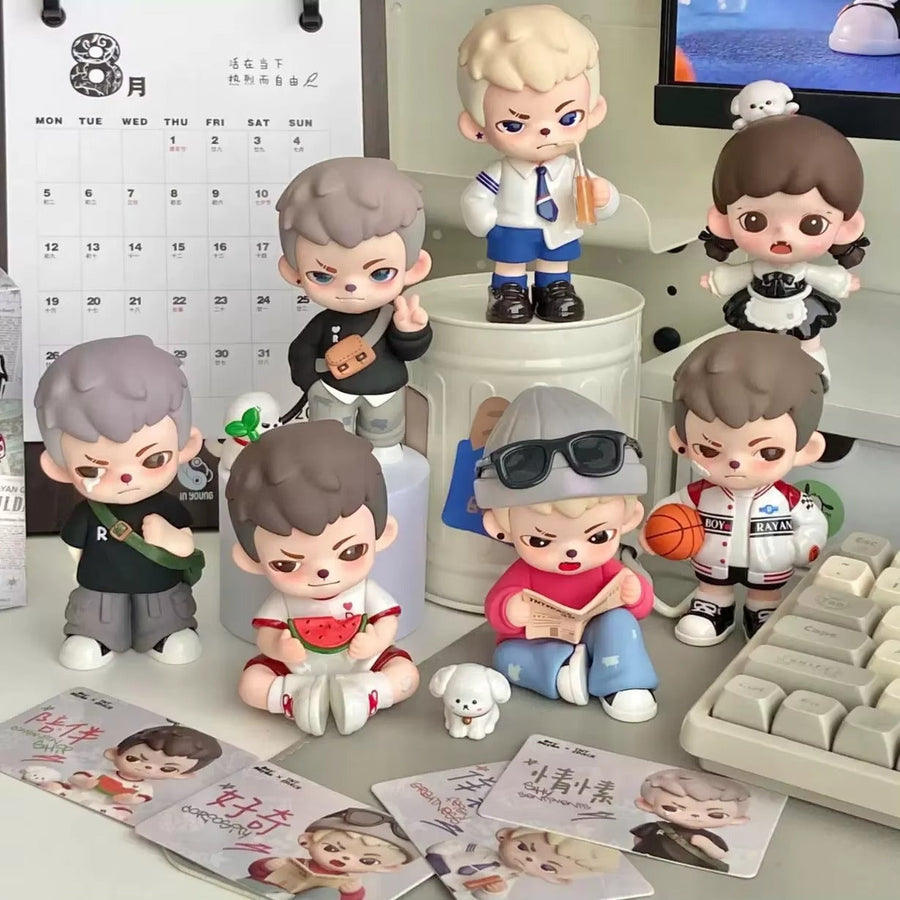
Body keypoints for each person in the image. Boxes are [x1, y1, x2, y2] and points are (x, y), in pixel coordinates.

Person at [474, 386, 659, 723]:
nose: (573, 551)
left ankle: (624, 682)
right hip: (536, 644)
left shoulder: (608, 569)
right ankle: (561, 674)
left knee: (620, 621)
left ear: (629, 518)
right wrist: (510, 610)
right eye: (540, 541)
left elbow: (641, 607)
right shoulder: (525, 574)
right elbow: (497, 608)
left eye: (598, 536)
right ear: (500, 527)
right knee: (506, 657)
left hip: (599, 636)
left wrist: (635, 594)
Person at [226, 421, 419, 736]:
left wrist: (376, 640)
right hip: (296, 670)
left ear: (383, 535)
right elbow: (266, 634)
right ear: (251, 561)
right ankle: (294, 698)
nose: (323, 572)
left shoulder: (366, 592)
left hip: (364, 664)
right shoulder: (283, 603)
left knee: (406, 674)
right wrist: (278, 648)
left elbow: (387, 621)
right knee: (251, 685)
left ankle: (366, 694)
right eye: (287, 564)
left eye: (350, 552)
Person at [643, 331, 829, 645]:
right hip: (712, 564)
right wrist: (655, 530)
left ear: (806, 449)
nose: (735, 463)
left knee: (765, 594)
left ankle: (762, 609)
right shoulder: (699, 494)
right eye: (710, 450)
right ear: (680, 443)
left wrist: (806, 543)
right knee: (713, 588)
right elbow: (669, 510)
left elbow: (813, 522)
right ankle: (713, 606)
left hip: (769, 565)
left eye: (768, 452)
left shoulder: (788, 498)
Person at [34, 336, 204, 670]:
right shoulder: (87, 513)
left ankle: (163, 633)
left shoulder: (167, 508)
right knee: (96, 615)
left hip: (159, 587)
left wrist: (169, 537)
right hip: (100, 589)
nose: (126, 478)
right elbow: (74, 549)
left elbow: (186, 546)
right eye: (92, 469)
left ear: (186, 446)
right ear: (58, 468)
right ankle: (97, 636)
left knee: (165, 614)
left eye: (153, 459)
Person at [457, 5, 619, 324]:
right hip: (512, 227)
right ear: (476, 127)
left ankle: (555, 290)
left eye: (568, 118)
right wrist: (487, 221)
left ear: (593, 112)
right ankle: (507, 291)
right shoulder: (500, 173)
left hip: (558, 228)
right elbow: (475, 197)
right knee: (510, 263)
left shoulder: (572, 169)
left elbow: (601, 201)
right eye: (514, 125)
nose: (545, 132)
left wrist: (604, 197)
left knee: (556, 261)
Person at [277, 157, 432, 466]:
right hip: (332, 393)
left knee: (385, 452)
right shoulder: (322, 324)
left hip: (384, 394)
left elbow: (409, 352)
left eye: (380, 273)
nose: (351, 287)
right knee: (332, 451)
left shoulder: (393, 315)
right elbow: (301, 351)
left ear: (414, 268)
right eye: (322, 275)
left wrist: (410, 332)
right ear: (293, 273)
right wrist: (312, 384)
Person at [700, 113, 867, 388]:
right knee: (750, 339)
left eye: (812, 224)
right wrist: (719, 280)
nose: (782, 235)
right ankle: (746, 370)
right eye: (754, 220)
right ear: (723, 222)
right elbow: (740, 275)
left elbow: (820, 277)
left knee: (807, 337)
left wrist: (842, 282)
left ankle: (814, 370)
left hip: (799, 303)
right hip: (757, 303)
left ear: (846, 227)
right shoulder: (757, 267)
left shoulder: (804, 270)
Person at [40, 724, 222, 819]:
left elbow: (140, 798)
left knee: (123, 812)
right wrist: (84, 782)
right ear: (113, 753)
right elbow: (76, 777)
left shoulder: (145, 788)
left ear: (181, 775)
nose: (148, 767)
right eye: (133, 759)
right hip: (73, 796)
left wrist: (129, 799)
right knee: (57, 786)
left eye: (167, 768)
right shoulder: (102, 772)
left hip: (106, 806)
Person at [247, 808, 417, 900]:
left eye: (367, 860)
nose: (345, 857)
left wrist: (351, 893)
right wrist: (267, 866)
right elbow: (255, 872)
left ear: (388, 868)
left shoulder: (349, 881)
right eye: (332, 849)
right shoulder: (296, 863)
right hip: (262, 893)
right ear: (307, 840)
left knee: (328, 894)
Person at [426, 827, 619, 898]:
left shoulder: (507, 879)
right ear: (505, 835)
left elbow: (482, 896)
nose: (529, 858)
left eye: (546, 867)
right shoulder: (479, 849)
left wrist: (495, 892)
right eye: (523, 847)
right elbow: (454, 846)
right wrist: (438, 854)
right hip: (433, 866)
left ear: (557, 879)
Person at [632, 768, 751, 873]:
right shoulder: (655, 827)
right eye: (672, 808)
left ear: (736, 819)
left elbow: (720, 855)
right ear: (647, 805)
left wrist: (706, 845)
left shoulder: (710, 838)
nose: (695, 815)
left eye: (716, 815)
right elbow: (638, 839)